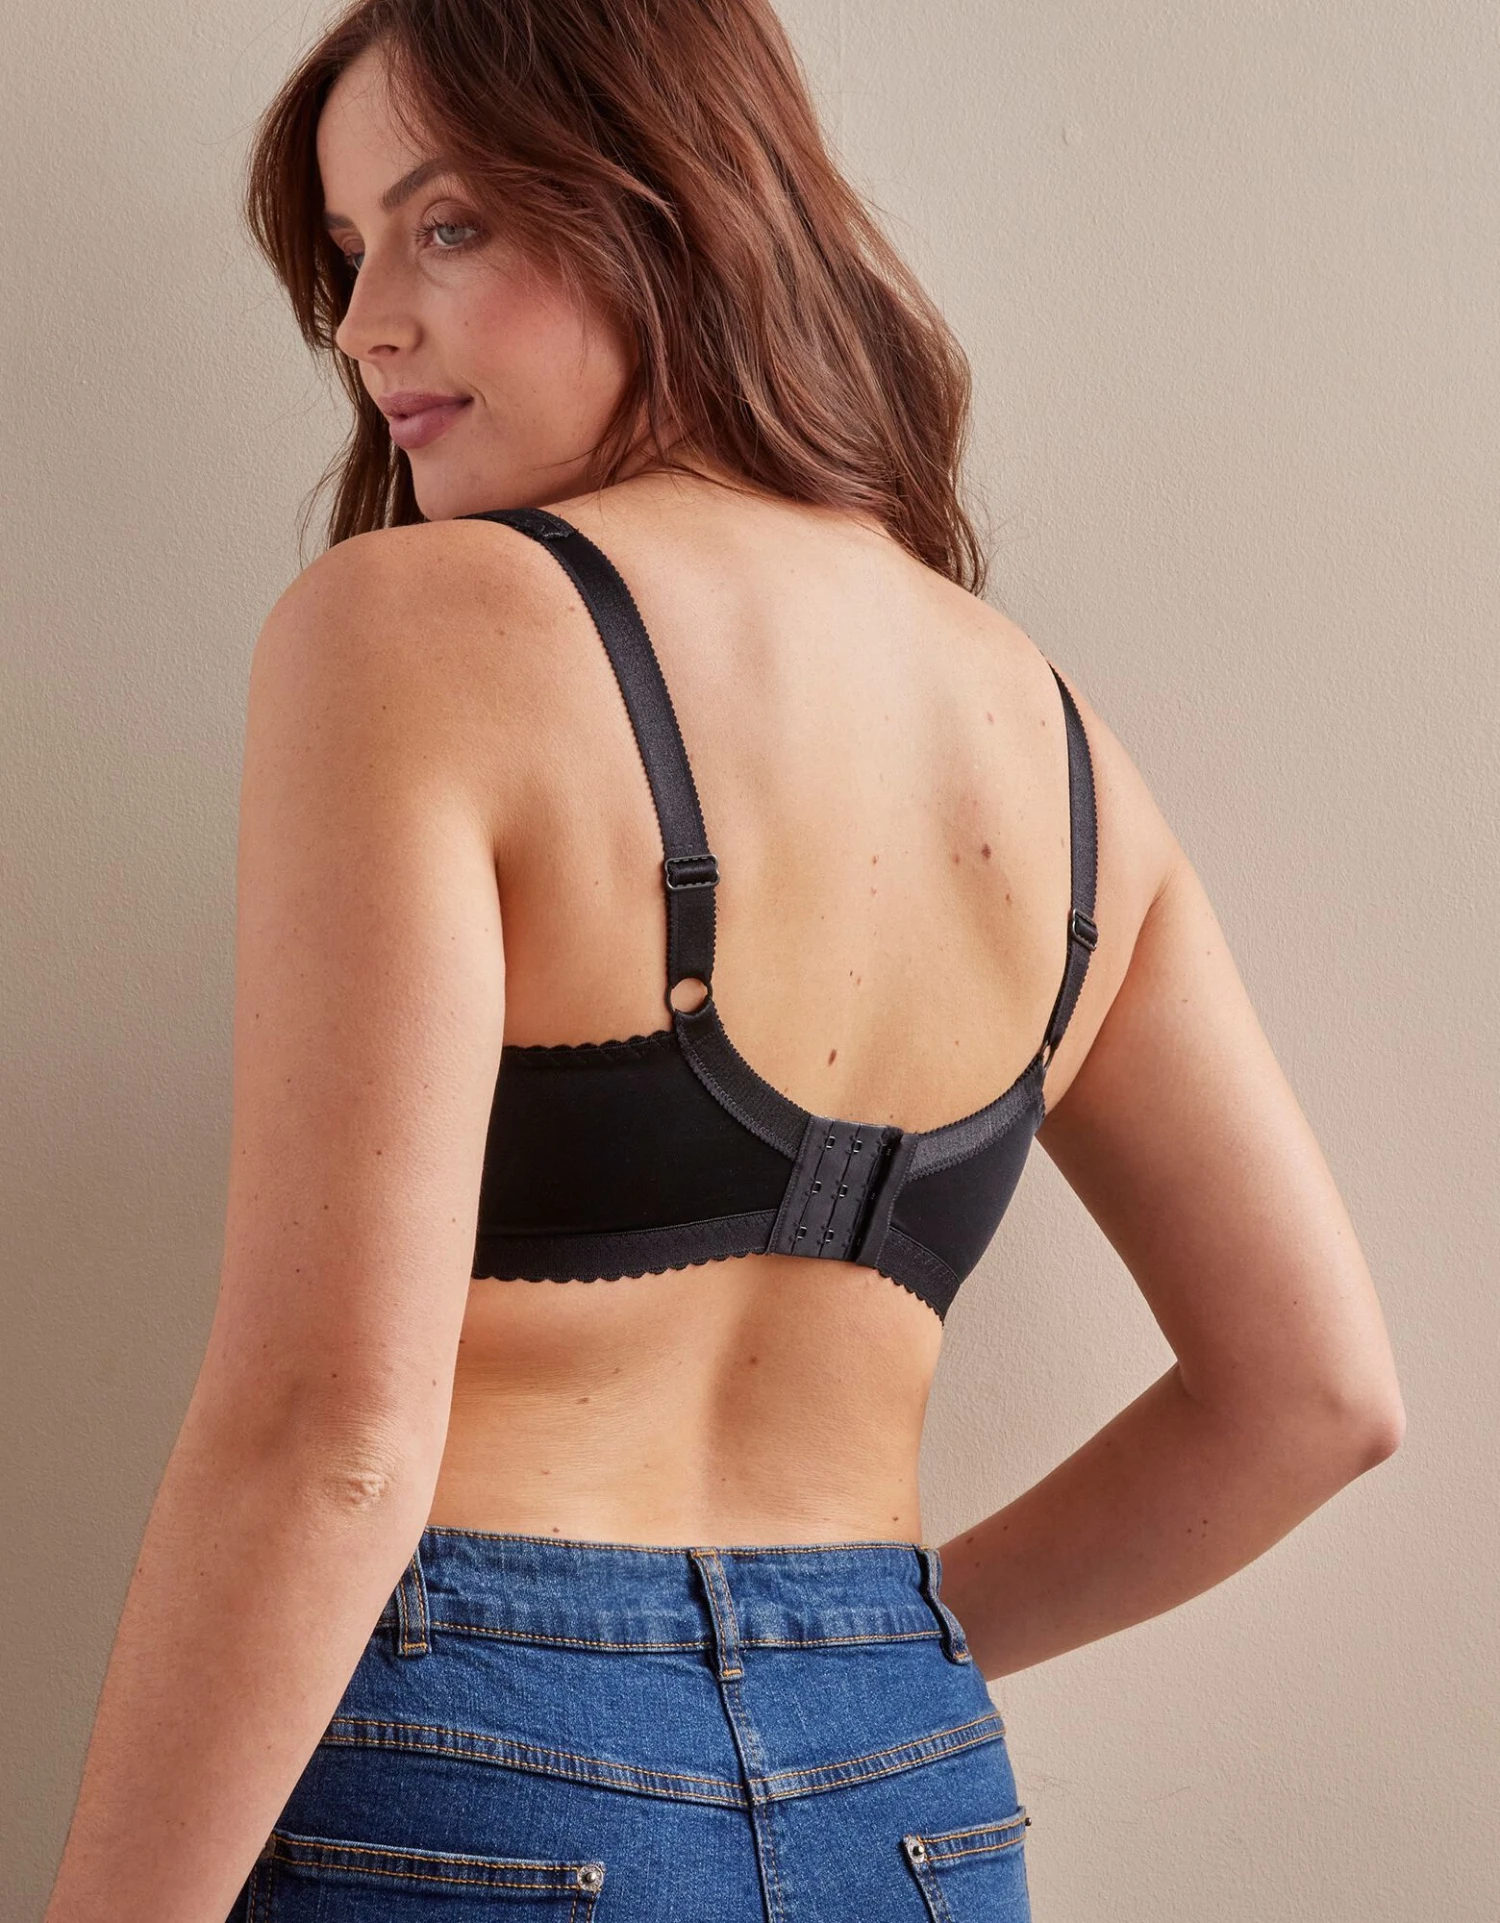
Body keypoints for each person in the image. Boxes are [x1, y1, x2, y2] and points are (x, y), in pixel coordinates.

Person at [43, 3, 1404, 1920]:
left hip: (479, 1779)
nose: (364, 327)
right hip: (909, 1801)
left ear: (664, 204)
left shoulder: (414, 630)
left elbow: (329, 1439)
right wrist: (861, 1667)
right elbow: (1317, 1395)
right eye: (350, 256)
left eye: (446, 226)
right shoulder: (1063, 745)